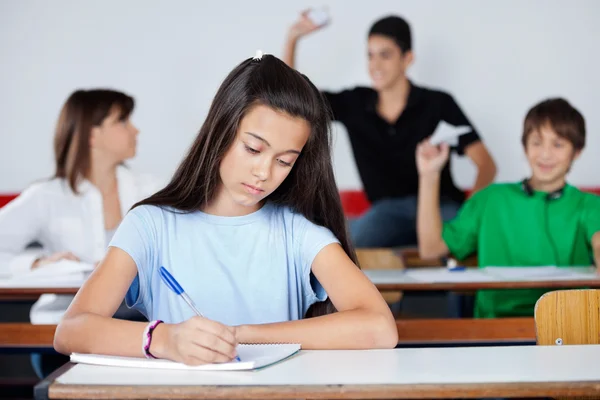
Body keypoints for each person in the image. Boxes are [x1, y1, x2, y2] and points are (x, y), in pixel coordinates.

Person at [53, 53, 398, 364]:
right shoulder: (150, 225)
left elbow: (380, 327)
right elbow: (71, 330)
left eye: (284, 161)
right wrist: (164, 339)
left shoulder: (298, 232)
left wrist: (240, 335)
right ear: (221, 131)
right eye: (252, 149)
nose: (264, 173)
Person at [283, 13, 497, 248]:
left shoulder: (439, 104)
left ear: (407, 59)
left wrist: (470, 214)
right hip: (385, 213)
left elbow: (486, 164)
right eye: (370, 55)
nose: (375, 65)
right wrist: (293, 39)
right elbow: (296, 101)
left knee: (461, 242)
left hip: (440, 207)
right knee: (336, 243)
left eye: (385, 55)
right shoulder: (355, 103)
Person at [0, 89, 160, 376]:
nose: (135, 130)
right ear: (92, 135)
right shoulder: (45, 195)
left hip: (139, 328)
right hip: (62, 332)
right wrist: (35, 264)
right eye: (122, 121)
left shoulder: (151, 190)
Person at [416, 97, 600, 318]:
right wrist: (429, 174)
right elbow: (430, 248)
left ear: (576, 152)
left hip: (565, 328)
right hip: (494, 329)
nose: (545, 154)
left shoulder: (589, 204)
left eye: (558, 144)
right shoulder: (491, 198)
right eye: (536, 142)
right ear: (524, 146)